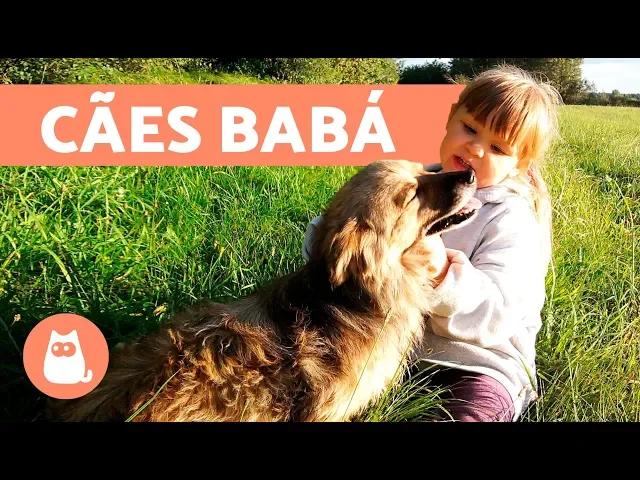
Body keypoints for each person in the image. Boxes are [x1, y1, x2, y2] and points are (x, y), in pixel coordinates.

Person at [301, 65, 563, 422]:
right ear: (450, 117)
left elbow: (500, 315)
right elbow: (344, 237)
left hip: (476, 364)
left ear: (520, 164)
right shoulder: (417, 181)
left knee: (469, 413)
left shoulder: (511, 220)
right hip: (397, 354)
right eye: (470, 128)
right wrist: (332, 244)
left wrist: (442, 274)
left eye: (497, 147)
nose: (475, 148)